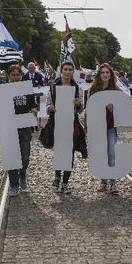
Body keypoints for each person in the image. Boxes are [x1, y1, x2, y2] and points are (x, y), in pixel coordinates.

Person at [0, 64, 37, 197]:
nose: (15, 77)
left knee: (25, 157)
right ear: (8, 76)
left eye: (17, 75)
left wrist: (34, 110)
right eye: (12, 75)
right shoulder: (2, 90)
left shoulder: (26, 89)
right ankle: (14, 184)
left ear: (21, 76)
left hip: (24, 127)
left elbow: (33, 105)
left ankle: (22, 174)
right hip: (8, 126)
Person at [47, 61, 84, 194]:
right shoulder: (53, 87)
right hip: (57, 123)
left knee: (70, 152)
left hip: (72, 124)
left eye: (70, 70)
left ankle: (65, 182)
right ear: (61, 71)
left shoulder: (77, 88)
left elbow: (80, 110)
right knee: (59, 149)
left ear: (73, 72)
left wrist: (78, 104)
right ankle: (57, 176)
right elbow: (48, 104)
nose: (68, 72)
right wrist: (49, 108)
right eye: (66, 69)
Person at [87, 63, 121, 194]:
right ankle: (103, 181)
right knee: (101, 154)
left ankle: (113, 182)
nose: (105, 74)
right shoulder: (93, 90)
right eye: (103, 72)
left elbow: (121, 110)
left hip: (111, 126)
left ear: (111, 75)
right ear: (99, 75)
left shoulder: (116, 90)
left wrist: (112, 108)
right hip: (98, 127)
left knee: (111, 154)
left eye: (107, 72)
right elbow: (89, 109)